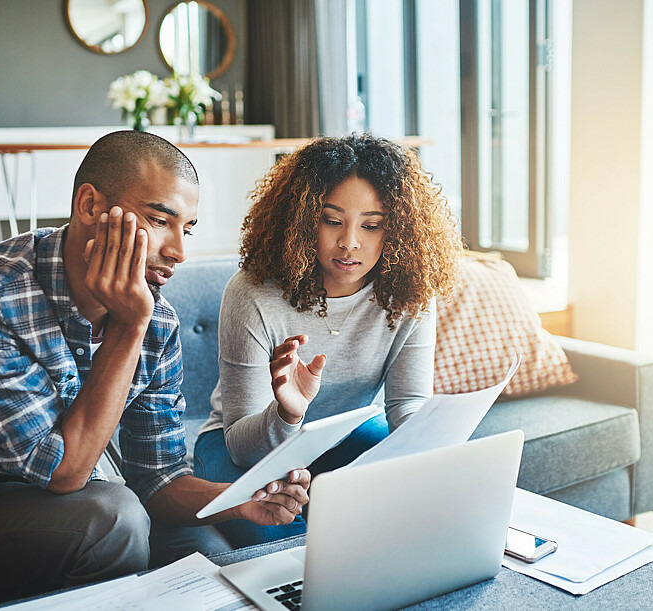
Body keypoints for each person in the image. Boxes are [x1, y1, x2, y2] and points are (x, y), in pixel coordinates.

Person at [0, 131, 310, 608]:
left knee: (216, 564)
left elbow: (158, 477)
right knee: (116, 520)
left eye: (188, 229)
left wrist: (241, 498)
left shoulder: (158, 320)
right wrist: (129, 326)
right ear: (90, 205)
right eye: (159, 220)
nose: (178, 251)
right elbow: (63, 472)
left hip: (84, 499)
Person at [194, 133, 462, 547]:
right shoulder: (253, 294)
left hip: (343, 433)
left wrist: (429, 451)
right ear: (302, 219)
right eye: (332, 220)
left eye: (371, 225)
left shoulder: (411, 292)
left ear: (399, 230)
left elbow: (408, 406)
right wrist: (286, 413)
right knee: (289, 544)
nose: (349, 242)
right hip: (240, 448)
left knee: (414, 513)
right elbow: (241, 444)